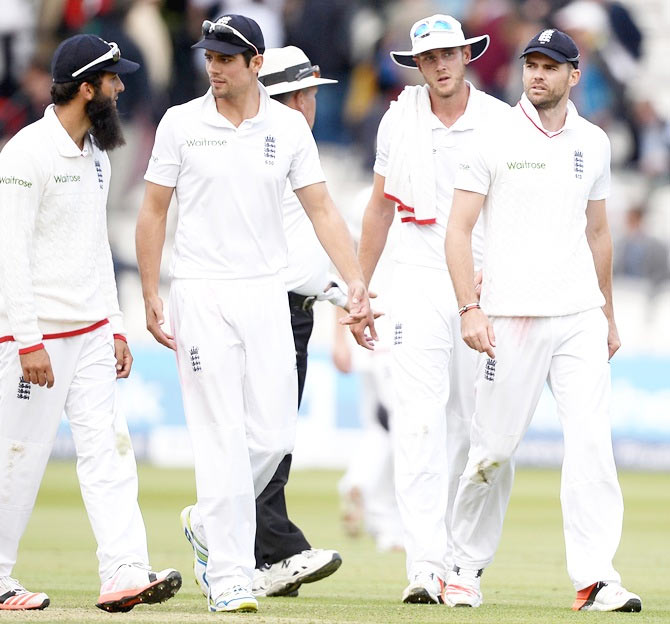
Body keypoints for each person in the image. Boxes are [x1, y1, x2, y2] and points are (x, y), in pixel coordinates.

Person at [135, 16, 374, 614]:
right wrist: (149, 292)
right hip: (201, 291)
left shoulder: (289, 126)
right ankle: (233, 574)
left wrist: (357, 285)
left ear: (255, 63)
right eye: (209, 56)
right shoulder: (181, 123)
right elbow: (153, 212)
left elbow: (321, 210)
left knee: (273, 435)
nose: (214, 67)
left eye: (227, 57)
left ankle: (211, 526)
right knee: (220, 433)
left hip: (265, 293)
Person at [444, 29, 642, 612]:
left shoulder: (595, 143)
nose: (537, 75)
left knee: (591, 446)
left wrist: (607, 315)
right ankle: (464, 564)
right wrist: (468, 307)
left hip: (579, 314)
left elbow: (599, 233)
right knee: (494, 451)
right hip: (510, 317)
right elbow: (457, 231)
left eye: (550, 67)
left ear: (573, 75)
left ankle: (595, 576)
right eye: (531, 65)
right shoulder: (494, 136)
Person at [0, 34, 182, 613]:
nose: (122, 88)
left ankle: (124, 572)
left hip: (90, 336)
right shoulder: (26, 154)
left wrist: (115, 325)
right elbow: (9, 254)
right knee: (18, 456)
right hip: (35, 339)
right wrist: (28, 340)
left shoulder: (97, 156)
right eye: (113, 80)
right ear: (86, 88)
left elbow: (93, 249)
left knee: (109, 451)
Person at [350, 14, 514, 604]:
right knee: (417, 421)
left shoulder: (499, 120)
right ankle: (424, 563)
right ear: (416, 65)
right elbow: (377, 209)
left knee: (480, 430)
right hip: (417, 276)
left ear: (466, 56)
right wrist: (360, 286)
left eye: (448, 54)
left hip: (483, 281)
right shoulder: (400, 117)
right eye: (428, 58)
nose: (440, 66)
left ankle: (463, 563)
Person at [179, 44, 346, 601]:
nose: (311, 105)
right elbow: (297, 244)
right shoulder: (268, 148)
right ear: (291, 95)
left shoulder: (291, 146)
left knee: (272, 439)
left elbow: (319, 228)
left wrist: (345, 292)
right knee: (250, 435)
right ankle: (261, 552)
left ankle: (226, 531)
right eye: (305, 95)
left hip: (289, 307)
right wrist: (342, 291)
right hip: (260, 303)